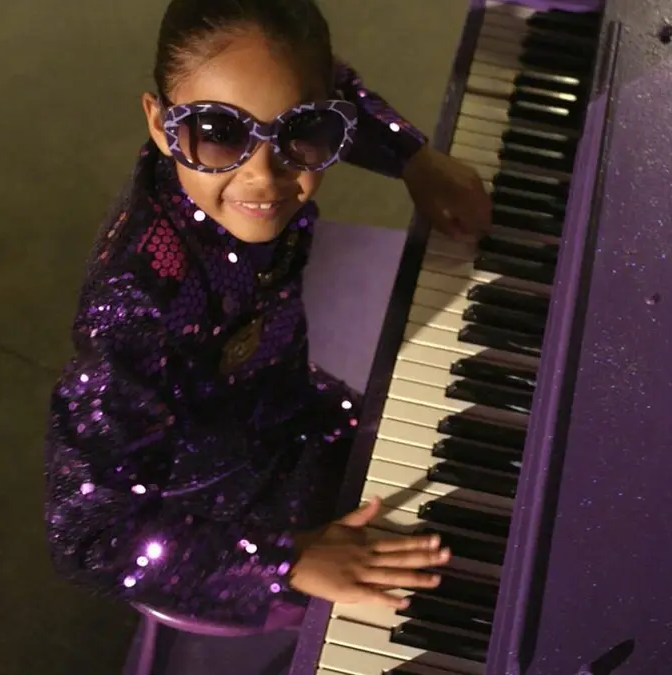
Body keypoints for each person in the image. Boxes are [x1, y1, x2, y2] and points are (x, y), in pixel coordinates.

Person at [44, 0, 491, 628]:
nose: (265, 175)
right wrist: (286, 563)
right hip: (214, 520)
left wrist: (414, 159)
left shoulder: (270, 149)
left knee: (458, 490)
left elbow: (336, 90)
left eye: (300, 131)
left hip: (294, 412)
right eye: (218, 132)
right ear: (159, 123)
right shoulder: (135, 307)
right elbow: (87, 533)